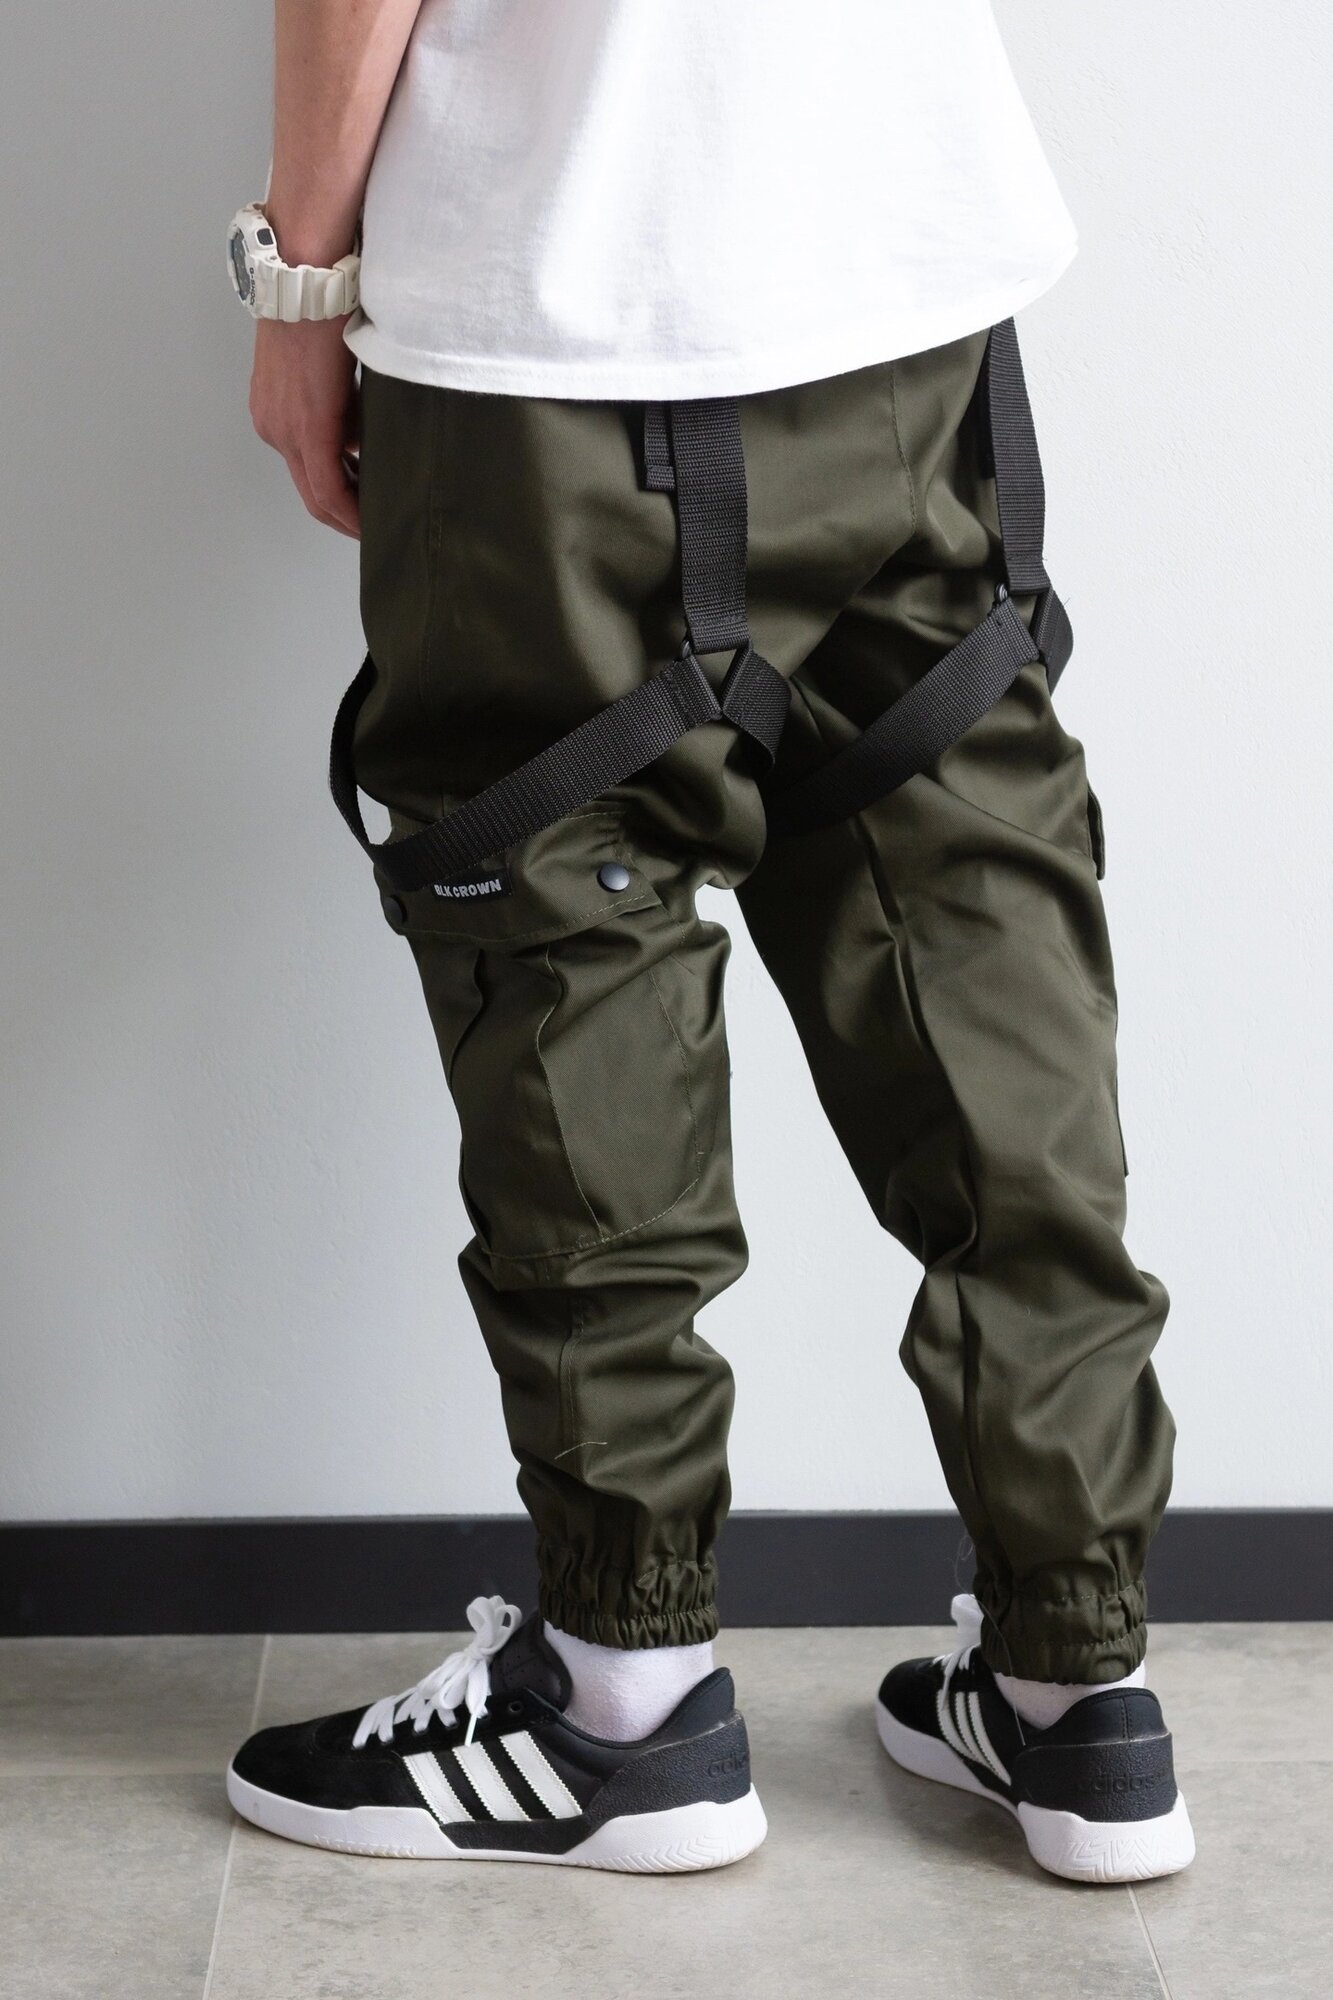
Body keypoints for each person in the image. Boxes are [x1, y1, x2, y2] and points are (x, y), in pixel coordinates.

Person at [222, 0, 1193, 1884]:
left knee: (567, 954)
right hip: (905, 285)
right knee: (972, 940)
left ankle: (623, 1705)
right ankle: (1079, 1697)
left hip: (560, 320)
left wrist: (299, 281)